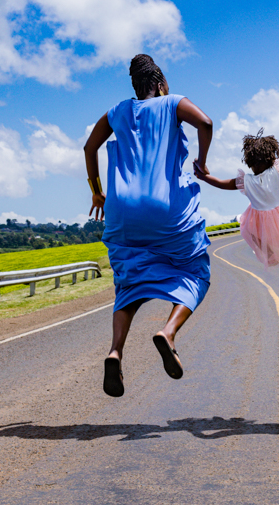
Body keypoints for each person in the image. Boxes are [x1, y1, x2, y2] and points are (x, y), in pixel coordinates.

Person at [84, 54, 215, 397]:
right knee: (196, 272)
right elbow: (206, 122)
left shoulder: (117, 111)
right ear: (159, 84)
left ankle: (115, 351)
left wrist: (97, 192)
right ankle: (168, 332)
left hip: (121, 210)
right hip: (164, 208)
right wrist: (201, 162)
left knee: (128, 282)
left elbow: (90, 146)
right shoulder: (172, 103)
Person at [194, 125, 279, 267]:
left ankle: (268, 253)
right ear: (271, 157)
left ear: (249, 162)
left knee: (247, 226)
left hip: (262, 217)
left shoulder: (245, 181)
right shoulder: (278, 169)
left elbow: (221, 183)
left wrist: (204, 176)